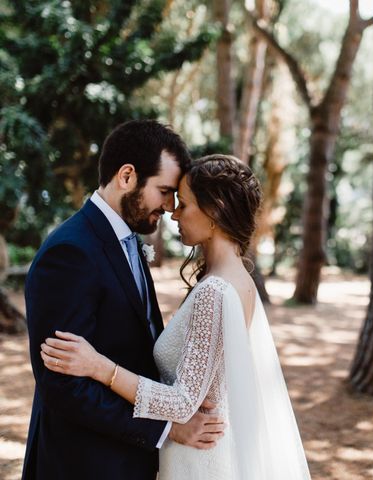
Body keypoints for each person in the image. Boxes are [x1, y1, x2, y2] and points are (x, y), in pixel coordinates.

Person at [40, 154, 312, 479]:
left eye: (184, 204)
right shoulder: (237, 279)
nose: (174, 213)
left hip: (198, 459)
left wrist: (100, 367)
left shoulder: (216, 290)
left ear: (215, 211)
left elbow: (183, 402)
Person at [22, 120, 225, 480]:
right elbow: (62, 386)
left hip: (127, 461)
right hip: (82, 464)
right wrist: (166, 429)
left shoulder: (128, 240)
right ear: (127, 176)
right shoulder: (70, 252)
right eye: (164, 191)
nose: (169, 206)